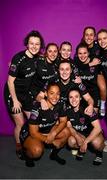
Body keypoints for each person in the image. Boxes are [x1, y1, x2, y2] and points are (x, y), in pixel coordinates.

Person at [4, 30, 45, 159]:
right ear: (27, 44)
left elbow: (52, 57)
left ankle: (31, 142)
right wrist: (15, 100)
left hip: (26, 94)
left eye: (37, 44)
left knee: (34, 121)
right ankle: (19, 146)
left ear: (40, 46)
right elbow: (10, 81)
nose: (34, 46)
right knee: (20, 124)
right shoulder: (18, 58)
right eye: (31, 43)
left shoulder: (38, 58)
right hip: (13, 93)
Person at [20, 82, 70, 167]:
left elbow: (63, 121)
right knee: (37, 150)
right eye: (52, 93)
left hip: (48, 131)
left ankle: (53, 155)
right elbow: (33, 133)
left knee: (67, 132)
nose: (55, 97)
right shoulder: (37, 107)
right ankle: (26, 155)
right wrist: (52, 142)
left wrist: (54, 133)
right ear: (46, 94)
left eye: (58, 94)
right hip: (31, 134)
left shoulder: (61, 103)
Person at [66, 88, 104, 165]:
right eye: (71, 97)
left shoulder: (88, 109)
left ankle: (99, 154)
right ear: (68, 99)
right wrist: (77, 137)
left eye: (76, 96)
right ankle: (81, 150)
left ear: (80, 98)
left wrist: (85, 142)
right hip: (81, 134)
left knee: (96, 143)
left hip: (93, 134)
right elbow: (69, 126)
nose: (73, 100)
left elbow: (98, 128)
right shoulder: (67, 110)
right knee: (71, 141)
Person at [80, 26, 107, 117]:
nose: (89, 37)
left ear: (95, 37)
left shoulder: (99, 44)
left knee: (102, 88)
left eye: (91, 35)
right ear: (83, 36)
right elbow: (78, 65)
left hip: (99, 71)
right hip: (86, 73)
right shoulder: (81, 47)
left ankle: (102, 104)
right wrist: (91, 64)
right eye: (86, 35)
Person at [74, 43, 100, 113]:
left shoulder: (95, 61)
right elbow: (80, 67)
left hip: (94, 93)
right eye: (80, 53)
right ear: (77, 54)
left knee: (93, 116)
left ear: (88, 53)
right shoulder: (76, 62)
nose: (82, 56)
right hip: (83, 94)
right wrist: (90, 64)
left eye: (85, 53)